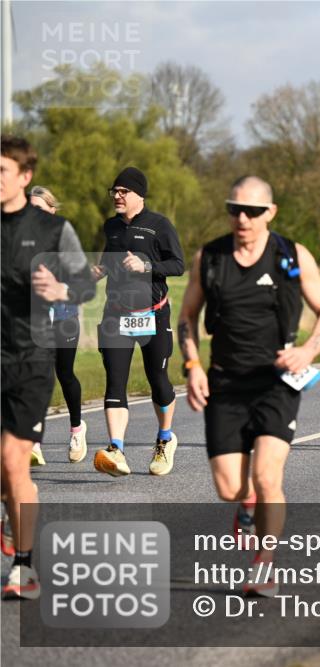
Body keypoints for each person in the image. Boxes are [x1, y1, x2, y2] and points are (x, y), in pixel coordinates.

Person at [178, 175, 320, 596]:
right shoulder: (210, 257)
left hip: (277, 381)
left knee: (268, 476)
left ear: (270, 213)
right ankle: (245, 505)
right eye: (234, 209)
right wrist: (193, 365)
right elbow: (186, 317)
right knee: (230, 487)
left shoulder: (290, 255)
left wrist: (307, 352)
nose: (242, 219)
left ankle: (265, 564)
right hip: (225, 383)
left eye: (251, 211)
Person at [1, 135, 95, 599]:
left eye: (1, 170)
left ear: (24, 176)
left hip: (30, 359)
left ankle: (24, 565)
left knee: (13, 460)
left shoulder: (54, 229)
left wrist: (62, 292)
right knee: (5, 473)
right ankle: (10, 512)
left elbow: (84, 282)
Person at [92, 167, 185, 477]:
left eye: (123, 192)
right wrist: (98, 270)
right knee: (115, 380)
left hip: (153, 313)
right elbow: (109, 258)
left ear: (138, 195)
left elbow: (178, 265)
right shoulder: (112, 226)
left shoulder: (160, 225)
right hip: (116, 313)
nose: (117, 196)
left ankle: (165, 439)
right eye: (114, 191)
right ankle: (116, 449)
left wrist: (146, 264)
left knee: (157, 380)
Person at [27, 186, 88, 467]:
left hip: (65, 317)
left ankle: (77, 429)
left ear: (53, 210)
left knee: (64, 373)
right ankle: (35, 444)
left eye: (38, 208)